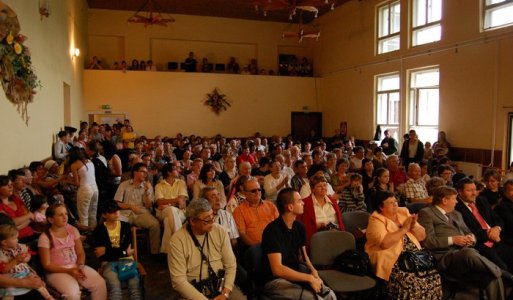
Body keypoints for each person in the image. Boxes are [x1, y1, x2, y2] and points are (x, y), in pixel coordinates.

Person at [418, 186, 505, 300]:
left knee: (492, 276)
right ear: (444, 200)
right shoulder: (427, 213)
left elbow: (468, 233)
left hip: (466, 252)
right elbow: (427, 241)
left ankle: (498, 274)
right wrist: (453, 240)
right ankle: (503, 272)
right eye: (454, 199)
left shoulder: (456, 214)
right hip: (445, 256)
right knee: (469, 253)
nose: (456, 202)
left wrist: (470, 238)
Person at [261, 188, 336, 299]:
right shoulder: (272, 231)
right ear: (290, 207)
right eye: (299, 201)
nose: (303, 203)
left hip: (296, 272)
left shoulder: (299, 226)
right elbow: (277, 269)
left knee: (330, 295)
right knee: (314, 298)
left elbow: (304, 257)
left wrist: (314, 273)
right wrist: (308, 278)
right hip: (275, 280)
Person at [365, 191, 442, 299]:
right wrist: (405, 228)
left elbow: (422, 236)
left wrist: (414, 226)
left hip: (414, 256)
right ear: (380, 207)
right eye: (391, 203)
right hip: (393, 258)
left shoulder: (403, 212)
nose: (395, 205)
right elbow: (384, 244)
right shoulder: (376, 219)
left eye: (396, 202)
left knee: (433, 276)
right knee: (412, 281)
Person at [168, 198, 246, 299]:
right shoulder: (177, 240)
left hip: (220, 286)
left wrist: (226, 292)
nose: (212, 222)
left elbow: (230, 265)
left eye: (212, 217)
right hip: (194, 291)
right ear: (192, 221)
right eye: (207, 220)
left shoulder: (220, 231)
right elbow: (178, 281)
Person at [38, 203, 107, 300]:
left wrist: (80, 266)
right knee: (72, 294)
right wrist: (68, 271)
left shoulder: (72, 230)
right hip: (56, 271)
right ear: (50, 219)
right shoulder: (45, 237)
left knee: (99, 284)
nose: (65, 217)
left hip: (75, 266)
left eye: (66, 214)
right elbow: (47, 265)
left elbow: (80, 253)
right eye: (60, 215)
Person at [455, 177, 513, 273]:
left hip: (498, 240)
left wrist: (497, 228)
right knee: (503, 269)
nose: (474, 193)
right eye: (469, 190)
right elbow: (467, 230)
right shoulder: (456, 207)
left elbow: (497, 219)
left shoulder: (482, 200)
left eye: (475, 190)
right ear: (460, 192)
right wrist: (488, 233)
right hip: (481, 244)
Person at [93, 201, 141, 300]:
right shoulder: (99, 230)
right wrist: (123, 252)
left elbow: (127, 248)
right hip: (108, 262)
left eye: (117, 210)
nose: (116, 213)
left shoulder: (125, 226)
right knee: (115, 287)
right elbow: (102, 255)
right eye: (112, 211)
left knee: (135, 288)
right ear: (104, 215)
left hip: (127, 261)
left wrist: (108, 250)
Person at [114, 163, 161, 255]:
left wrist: (147, 192)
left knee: (155, 225)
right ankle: (119, 252)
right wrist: (131, 206)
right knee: (117, 223)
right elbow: (117, 203)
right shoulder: (124, 185)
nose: (145, 174)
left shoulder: (148, 186)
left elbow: (148, 206)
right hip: (125, 213)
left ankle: (155, 253)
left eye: (146, 172)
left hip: (141, 213)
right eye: (143, 172)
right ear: (135, 172)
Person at [0, 224, 54, 299]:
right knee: (9, 291)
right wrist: (16, 260)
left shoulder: (18, 247)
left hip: (25, 272)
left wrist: (26, 257)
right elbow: (3, 270)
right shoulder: (1, 254)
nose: (18, 240)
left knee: (38, 282)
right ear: (4, 242)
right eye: (15, 238)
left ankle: (48, 297)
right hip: (12, 276)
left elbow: (29, 254)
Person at [297, 175, 344, 247]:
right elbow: (300, 227)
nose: (323, 188)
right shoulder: (304, 204)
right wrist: (317, 226)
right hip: (317, 238)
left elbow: (340, 223)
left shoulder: (333, 202)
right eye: (319, 186)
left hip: (336, 235)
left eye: (325, 185)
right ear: (312, 189)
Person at [233, 177, 278, 248]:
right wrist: (255, 247)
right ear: (245, 193)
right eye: (253, 191)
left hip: (275, 244)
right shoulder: (239, 210)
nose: (257, 192)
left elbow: (279, 225)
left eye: (259, 189)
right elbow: (242, 233)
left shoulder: (270, 205)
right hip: (255, 248)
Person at [154, 163, 187, 253]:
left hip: (180, 212)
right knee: (170, 210)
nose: (179, 170)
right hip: (162, 212)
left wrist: (167, 204)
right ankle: (181, 242)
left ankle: (168, 251)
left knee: (168, 221)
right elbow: (159, 202)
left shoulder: (181, 183)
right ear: (169, 172)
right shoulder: (159, 185)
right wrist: (175, 200)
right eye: (176, 169)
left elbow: (182, 202)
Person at [69, 147, 98, 228]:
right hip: (95, 188)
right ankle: (93, 230)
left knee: (83, 215)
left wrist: (67, 180)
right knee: (92, 213)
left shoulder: (74, 165)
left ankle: (85, 234)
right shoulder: (89, 161)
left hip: (85, 190)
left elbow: (77, 183)